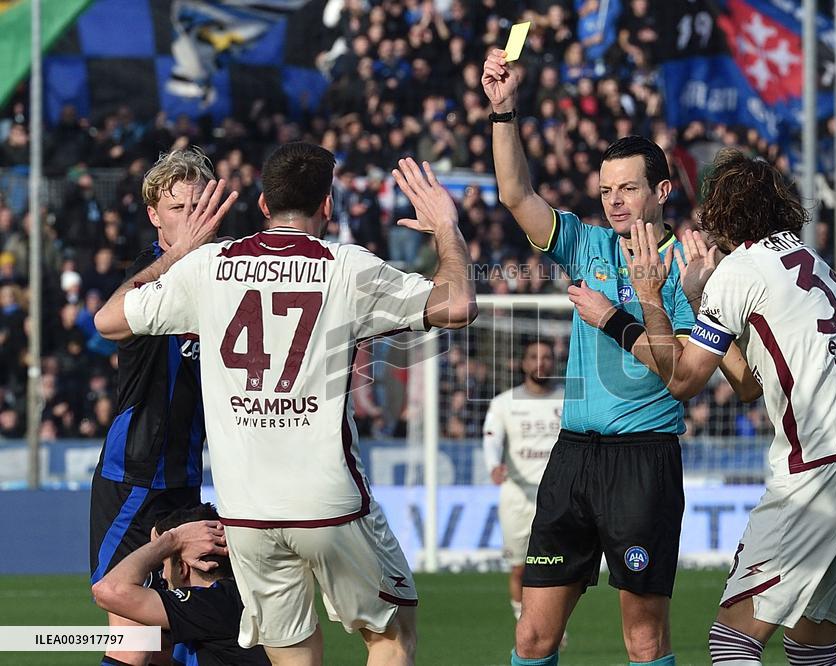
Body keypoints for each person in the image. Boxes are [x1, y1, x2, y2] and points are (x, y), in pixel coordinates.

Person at [95, 143, 477, 666]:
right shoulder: (344, 265)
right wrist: (445, 229)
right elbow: (456, 304)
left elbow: (108, 320)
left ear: (262, 204)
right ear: (327, 205)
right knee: (390, 638)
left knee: (293, 658)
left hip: (246, 512)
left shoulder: (209, 266)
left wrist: (179, 252)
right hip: (327, 502)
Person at [483, 49, 759, 666]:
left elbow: (728, 378)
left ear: (661, 190)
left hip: (643, 462)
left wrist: (669, 300)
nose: (614, 201)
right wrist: (504, 111)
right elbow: (513, 191)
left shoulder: (694, 269)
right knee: (531, 637)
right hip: (573, 455)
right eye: (606, 190)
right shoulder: (586, 245)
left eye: (627, 188)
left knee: (643, 639)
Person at [620, 148, 836, 666]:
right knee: (811, 650)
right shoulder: (811, 261)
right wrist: (702, 302)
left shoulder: (741, 268)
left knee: (732, 641)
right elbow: (747, 385)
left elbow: (682, 381)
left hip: (814, 474)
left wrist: (651, 295)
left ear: (720, 212)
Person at [89, 148, 234, 666]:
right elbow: (106, 322)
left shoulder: (230, 275)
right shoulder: (147, 275)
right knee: (134, 641)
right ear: (154, 215)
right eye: (178, 209)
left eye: (200, 205)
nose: (191, 217)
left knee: (187, 635)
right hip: (133, 478)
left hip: (186, 481)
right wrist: (177, 256)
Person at [92, 503, 271, 666]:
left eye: (163, 565)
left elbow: (108, 590)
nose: (162, 576)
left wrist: (172, 540)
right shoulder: (235, 597)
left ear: (183, 567)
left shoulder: (211, 605)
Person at [481, 340, 564, 628]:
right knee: (519, 569)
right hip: (517, 497)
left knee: (557, 569)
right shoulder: (504, 402)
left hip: (558, 499)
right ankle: (523, 623)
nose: (540, 362)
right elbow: (492, 438)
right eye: (533, 357)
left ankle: (550, 626)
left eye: (546, 357)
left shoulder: (567, 400)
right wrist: (494, 465)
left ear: (554, 362)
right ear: (523, 363)